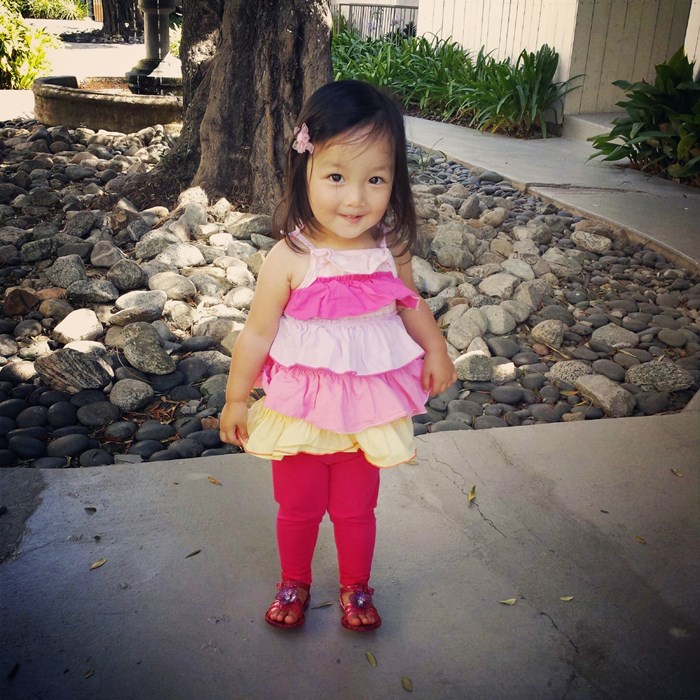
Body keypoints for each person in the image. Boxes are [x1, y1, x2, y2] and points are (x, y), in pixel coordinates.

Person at [219, 79, 456, 632]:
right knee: (298, 509)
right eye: (336, 177)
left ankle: (356, 587)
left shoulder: (390, 249)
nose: (355, 199)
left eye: (375, 179)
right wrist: (237, 399)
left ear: (394, 180)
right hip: (301, 413)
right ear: (304, 169)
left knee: (356, 510)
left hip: (365, 414)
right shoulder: (291, 256)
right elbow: (256, 334)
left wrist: (436, 348)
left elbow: (409, 303)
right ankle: (294, 582)